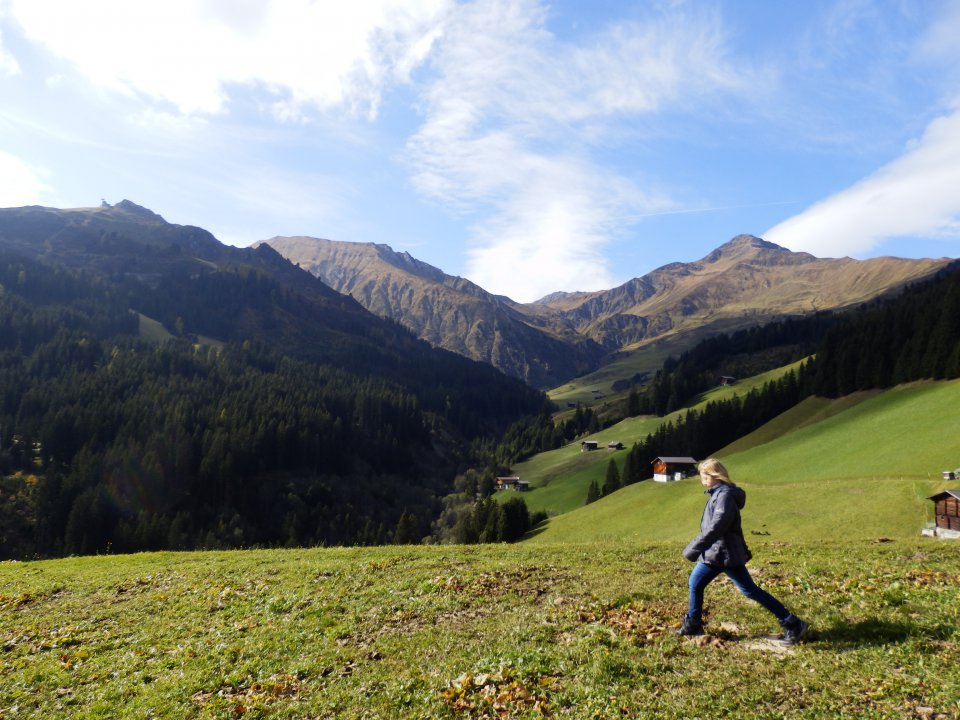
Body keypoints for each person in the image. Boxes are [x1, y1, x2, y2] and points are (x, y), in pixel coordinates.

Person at [678, 458, 809, 644]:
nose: (702, 479)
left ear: (714, 476)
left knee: (750, 591)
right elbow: (735, 528)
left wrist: (693, 548)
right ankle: (693, 623)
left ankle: (793, 623)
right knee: (695, 583)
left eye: (704, 476)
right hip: (715, 553)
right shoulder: (719, 495)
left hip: (724, 554)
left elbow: (717, 527)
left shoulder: (724, 497)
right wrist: (744, 549)